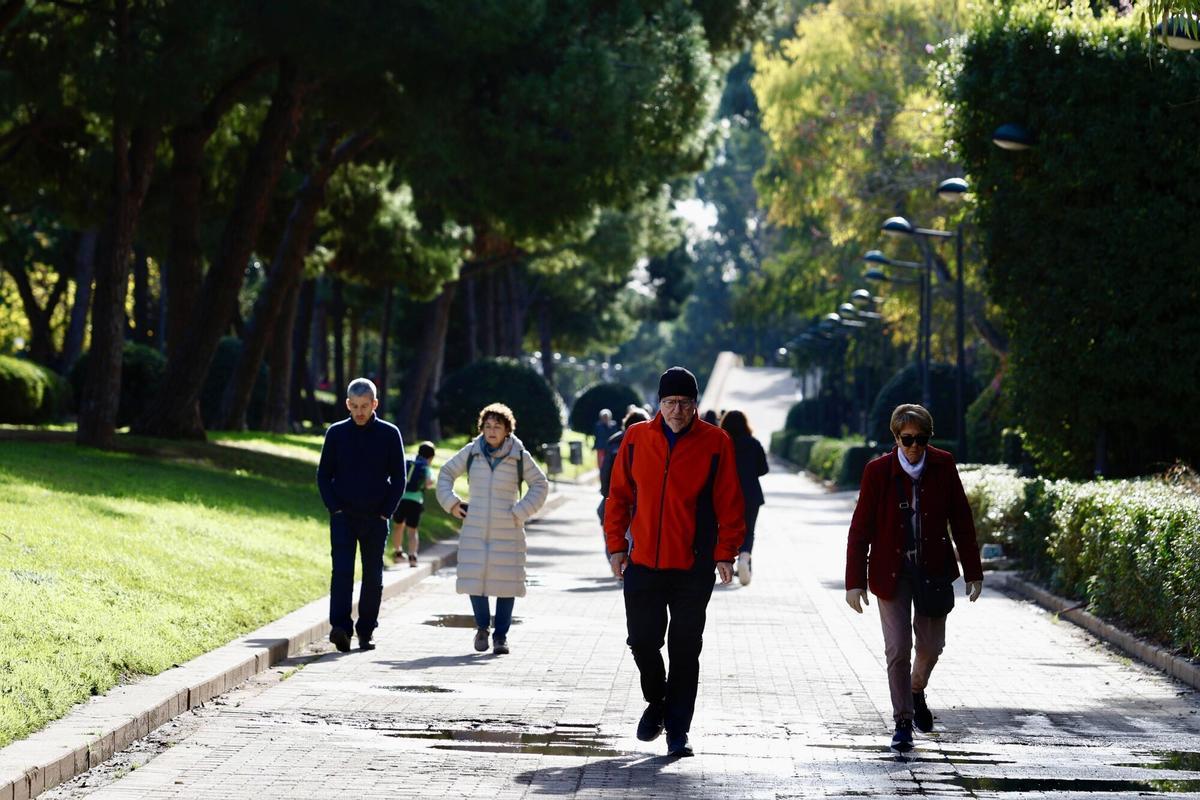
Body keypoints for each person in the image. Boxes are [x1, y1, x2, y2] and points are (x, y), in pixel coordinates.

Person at [605, 366, 745, 758]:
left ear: (695, 403)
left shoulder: (716, 442)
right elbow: (618, 496)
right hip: (643, 562)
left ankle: (678, 732)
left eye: (684, 403)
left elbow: (731, 503)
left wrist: (726, 553)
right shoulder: (636, 438)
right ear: (659, 404)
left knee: (685, 649)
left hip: (693, 567)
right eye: (669, 402)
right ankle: (657, 701)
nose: (677, 411)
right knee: (642, 640)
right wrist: (616, 547)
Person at [844, 403, 984, 753]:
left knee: (931, 646)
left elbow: (962, 520)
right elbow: (860, 528)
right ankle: (903, 721)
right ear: (896, 438)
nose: (914, 446)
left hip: (933, 570)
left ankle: (916, 688)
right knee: (897, 648)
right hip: (891, 572)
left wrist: (973, 571)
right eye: (907, 439)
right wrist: (854, 581)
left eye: (921, 439)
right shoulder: (878, 471)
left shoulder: (943, 464)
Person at [437, 403, 549, 655]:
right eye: (487, 426)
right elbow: (445, 474)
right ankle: (482, 628)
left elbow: (540, 484)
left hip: (508, 530)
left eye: (497, 426)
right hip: (474, 528)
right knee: (474, 580)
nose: (491, 431)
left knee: (506, 585)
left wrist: (520, 512)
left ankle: (501, 637)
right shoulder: (471, 452)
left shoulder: (519, 455)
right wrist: (452, 504)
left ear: (507, 430)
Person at [316, 378, 406, 653]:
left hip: (376, 518)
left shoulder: (390, 434)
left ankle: (366, 631)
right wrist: (335, 509)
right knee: (341, 573)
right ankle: (341, 628)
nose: (359, 412)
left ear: (374, 404)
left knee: (373, 577)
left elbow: (399, 478)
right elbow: (323, 475)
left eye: (364, 406)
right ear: (347, 404)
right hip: (343, 517)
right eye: (354, 406)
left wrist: (385, 513)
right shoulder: (336, 433)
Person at [718, 410, 768, 586]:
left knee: (727, 528)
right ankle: (744, 558)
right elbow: (764, 469)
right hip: (751, 494)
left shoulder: (722, 443)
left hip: (728, 495)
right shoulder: (754, 443)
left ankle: (727, 563)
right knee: (749, 530)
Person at [596, 406, 651, 525]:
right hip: (641, 508)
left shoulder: (614, 442)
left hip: (616, 502)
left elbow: (605, 473)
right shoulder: (652, 445)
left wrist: (606, 495)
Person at [393, 440, 436, 567]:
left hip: (400, 499)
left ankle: (398, 553)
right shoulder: (425, 467)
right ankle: (412, 557)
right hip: (415, 502)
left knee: (398, 526)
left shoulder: (407, 461)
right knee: (412, 530)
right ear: (431, 457)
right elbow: (429, 482)